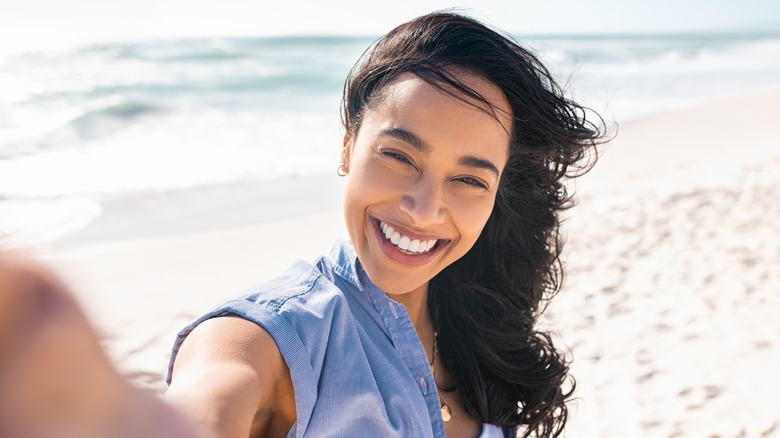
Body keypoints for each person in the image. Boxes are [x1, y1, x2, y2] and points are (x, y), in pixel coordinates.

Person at [0, 10, 604, 438]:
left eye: (469, 179)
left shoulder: (475, 317)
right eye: (399, 156)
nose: (424, 209)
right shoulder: (272, 336)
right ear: (348, 147)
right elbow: (209, 403)